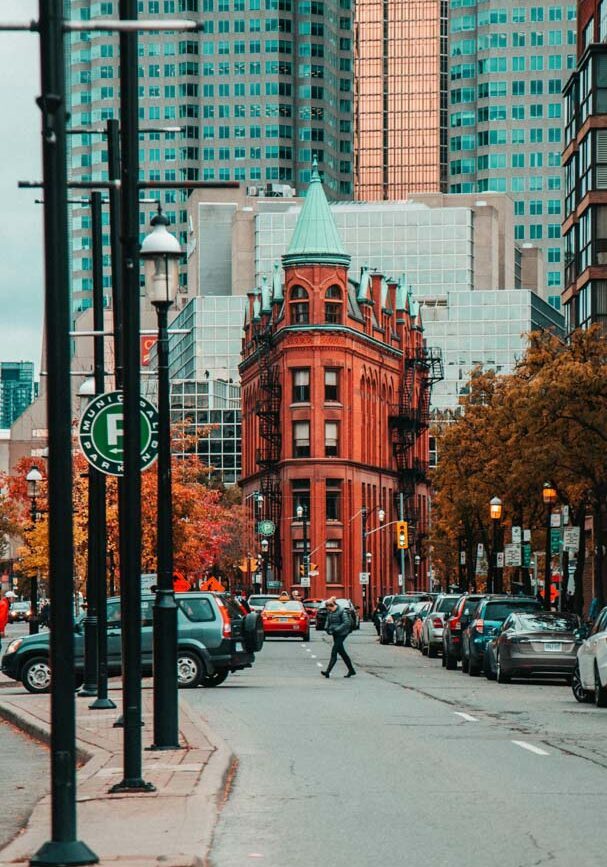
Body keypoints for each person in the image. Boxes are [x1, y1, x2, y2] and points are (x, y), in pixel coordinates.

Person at [321, 597, 356, 679]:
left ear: (332, 606)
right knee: (342, 652)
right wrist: (327, 628)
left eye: (329, 609)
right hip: (335, 633)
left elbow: (346, 623)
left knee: (334, 651)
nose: (329, 611)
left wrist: (337, 629)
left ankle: (327, 671)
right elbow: (328, 620)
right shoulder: (330, 611)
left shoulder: (342, 611)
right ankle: (351, 670)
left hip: (342, 633)